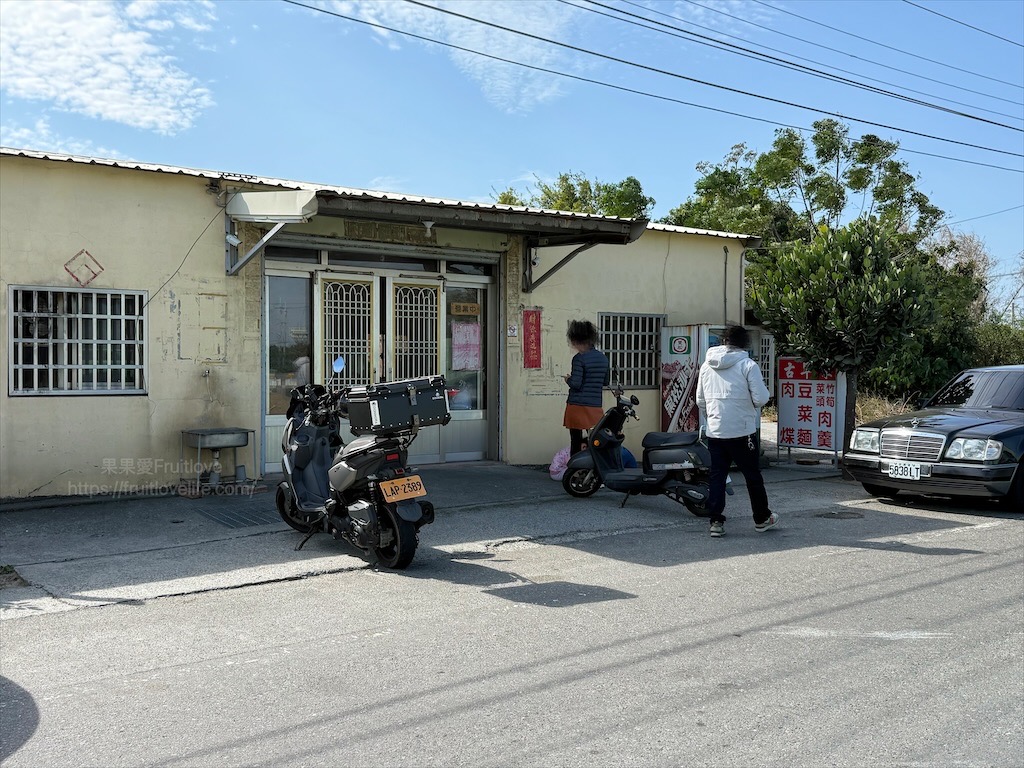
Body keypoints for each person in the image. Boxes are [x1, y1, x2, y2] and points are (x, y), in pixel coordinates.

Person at [696, 325, 777, 538]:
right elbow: (760, 398)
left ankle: (715, 521)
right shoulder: (748, 365)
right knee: (752, 476)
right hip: (743, 431)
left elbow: (700, 400)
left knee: (717, 476)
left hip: (716, 431)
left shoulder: (706, 366)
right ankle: (761, 518)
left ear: (723, 342)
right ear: (744, 343)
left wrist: (714, 416)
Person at [562, 320, 610, 455]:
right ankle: (595, 467)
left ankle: (575, 469)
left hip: (577, 405)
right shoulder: (603, 358)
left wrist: (568, 379)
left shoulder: (579, 359)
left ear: (577, 341)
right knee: (595, 439)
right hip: (595, 405)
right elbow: (605, 382)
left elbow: (576, 384)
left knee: (575, 441)